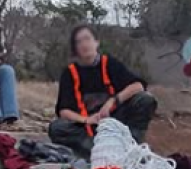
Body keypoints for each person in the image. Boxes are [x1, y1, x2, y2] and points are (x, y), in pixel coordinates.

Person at [49, 24, 157, 157]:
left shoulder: (110, 64)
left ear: (96, 42)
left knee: (145, 99)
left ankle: (131, 145)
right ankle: (97, 148)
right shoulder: (69, 73)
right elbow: (64, 111)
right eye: (79, 42)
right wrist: (86, 120)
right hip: (89, 127)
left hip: (116, 122)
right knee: (56, 128)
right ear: (75, 48)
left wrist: (113, 101)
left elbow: (138, 86)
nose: (84, 44)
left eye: (87, 39)